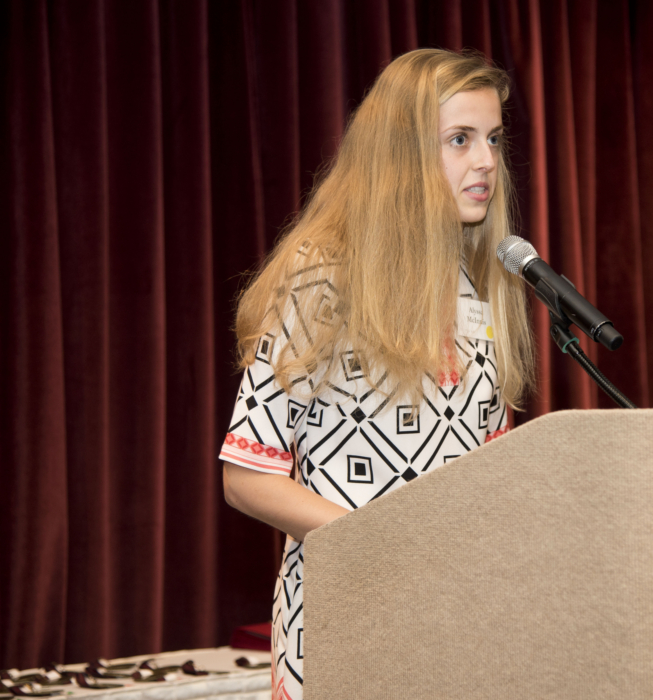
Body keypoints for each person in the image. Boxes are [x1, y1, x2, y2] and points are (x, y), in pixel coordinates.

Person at [219, 48, 533, 700]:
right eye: (460, 139)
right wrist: (388, 545)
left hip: (459, 627)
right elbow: (247, 478)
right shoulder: (320, 276)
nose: (486, 161)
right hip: (347, 626)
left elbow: (490, 474)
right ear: (401, 154)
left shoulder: (479, 285)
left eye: (493, 139)